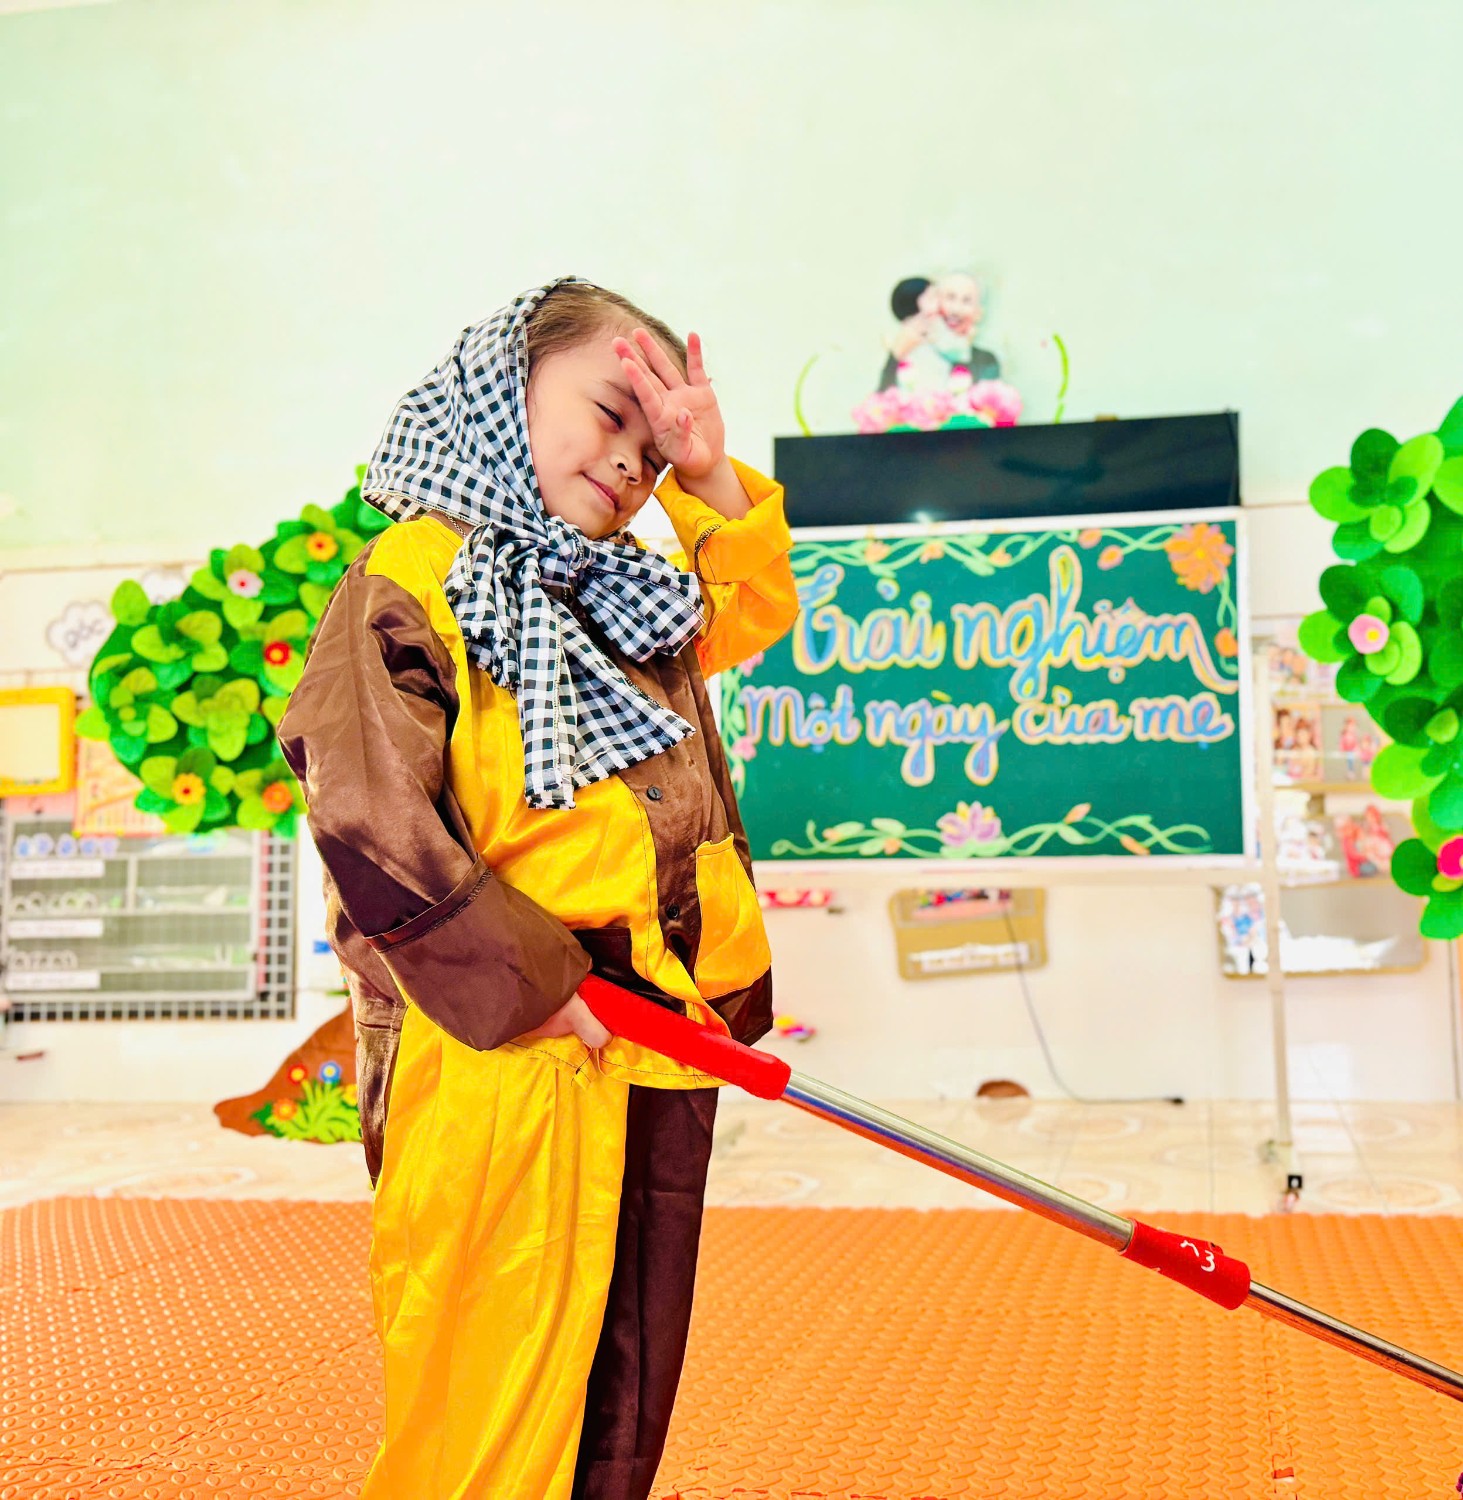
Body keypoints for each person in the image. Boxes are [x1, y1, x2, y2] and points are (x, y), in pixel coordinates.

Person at [277, 278, 799, 1500]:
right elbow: (369, 811)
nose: (627, 462)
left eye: (648, 451)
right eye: (608, 414)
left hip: (653, 1035)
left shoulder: (623, 591)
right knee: (489, 1372)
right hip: (502, 1046)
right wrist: (528, 989)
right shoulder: (413, 573)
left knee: (623, 1373)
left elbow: (748, 606)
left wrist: (704, 471)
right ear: (499, 388)